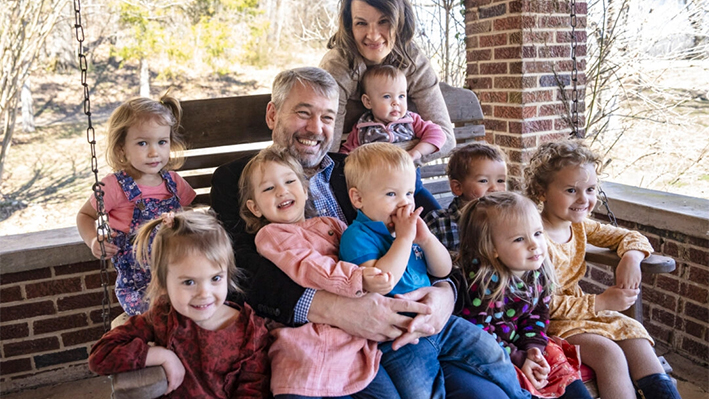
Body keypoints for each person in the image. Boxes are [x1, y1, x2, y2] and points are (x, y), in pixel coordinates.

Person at [210, 67, 519, 399]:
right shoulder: (239, 180)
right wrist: (336, 309)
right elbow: (238, 270)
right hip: (328, 344)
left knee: (487, 395)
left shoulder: (366, 168)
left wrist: (445, 295)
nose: (316, 128)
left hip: (417, 324)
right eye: (304, 113)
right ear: (273, 114)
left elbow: (435, 229)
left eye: (327, 117)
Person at [339, 142, 533, 399]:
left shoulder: (409, 231)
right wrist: (404, 240)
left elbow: (443, 270)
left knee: (490, 351)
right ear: (358, 198)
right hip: (398, 338)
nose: (404, 204)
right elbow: (382, 282)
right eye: (391, 195)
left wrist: (427, 240)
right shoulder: (357, 237)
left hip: (441, 322)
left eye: (409, 194)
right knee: (419, 392)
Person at [524, 140, 681, 399]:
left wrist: (631, 257)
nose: (583, 199)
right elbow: (539, 304)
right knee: (610, 354)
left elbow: (632, 236)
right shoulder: (533, 237)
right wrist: (601, 302)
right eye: (571, 190)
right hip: (549, 324)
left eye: (590, 189)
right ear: (542, 192)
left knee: (636, 336)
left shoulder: (580, 226)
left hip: (585, 315)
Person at [239, 146, 399, 398]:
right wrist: (357, 277)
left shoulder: (332, 225)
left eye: (290, 181)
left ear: (304, 190)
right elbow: (308, 266)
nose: (282, 191)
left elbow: (358, 250)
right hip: (305, 349)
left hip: (353, 343)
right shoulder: (271, 236)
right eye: (268, 188)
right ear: (255, 207)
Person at [88, 211, 271, 398]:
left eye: (215, 278)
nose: (204, 293)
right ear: (163, 284)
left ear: (228, 275)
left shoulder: (250, 331)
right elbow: (100, 356)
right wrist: (161, 355)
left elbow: (253, 391)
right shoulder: (162, 317)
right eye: (189, 282)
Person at [456, 191, 592, 399]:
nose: (534, 244)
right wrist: (519, 357)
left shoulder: (538, 271)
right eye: (519, 239)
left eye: (538, 233)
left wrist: (533, 348)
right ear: (492, 249)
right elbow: (480, 334)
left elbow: (537, 316)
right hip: (491, 352)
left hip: (522, 344)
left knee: (557, 364)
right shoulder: (482, 283)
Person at [76, 94, 196, 317]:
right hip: (139, 286)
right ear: (122, 147)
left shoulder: (173, 182)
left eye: (162, 142)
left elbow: (190, 212)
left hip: (179, 275)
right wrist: (93, 239)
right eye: (142, 143)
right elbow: (84, 215)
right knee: (153, 322)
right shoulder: (113, 186)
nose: (154, 152)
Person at [320, 0, 455, 162]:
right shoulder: (337, 65)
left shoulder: (413, 62)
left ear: (400, 22)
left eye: (384, 21)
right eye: (361, 23)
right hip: (356, 176)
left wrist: (398, 161)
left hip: (404, 174)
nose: (373, 35)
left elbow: (446, 137)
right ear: (350, 27)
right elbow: (328, 153)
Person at [339, 65, 446, 164]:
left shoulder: (410, 121)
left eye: (401, 96)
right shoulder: (362, 128)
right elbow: (346, 154)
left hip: (408, 173)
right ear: (368, 102)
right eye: (387, 96)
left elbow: (437, 134)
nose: (396, 102)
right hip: (375, 177)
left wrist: (416, 152)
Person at [424, 141, 507, 252]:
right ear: (458, 187)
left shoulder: (509, 220)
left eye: (500, 180)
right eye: (483, 181)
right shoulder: (438, 223)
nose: (495, 188)